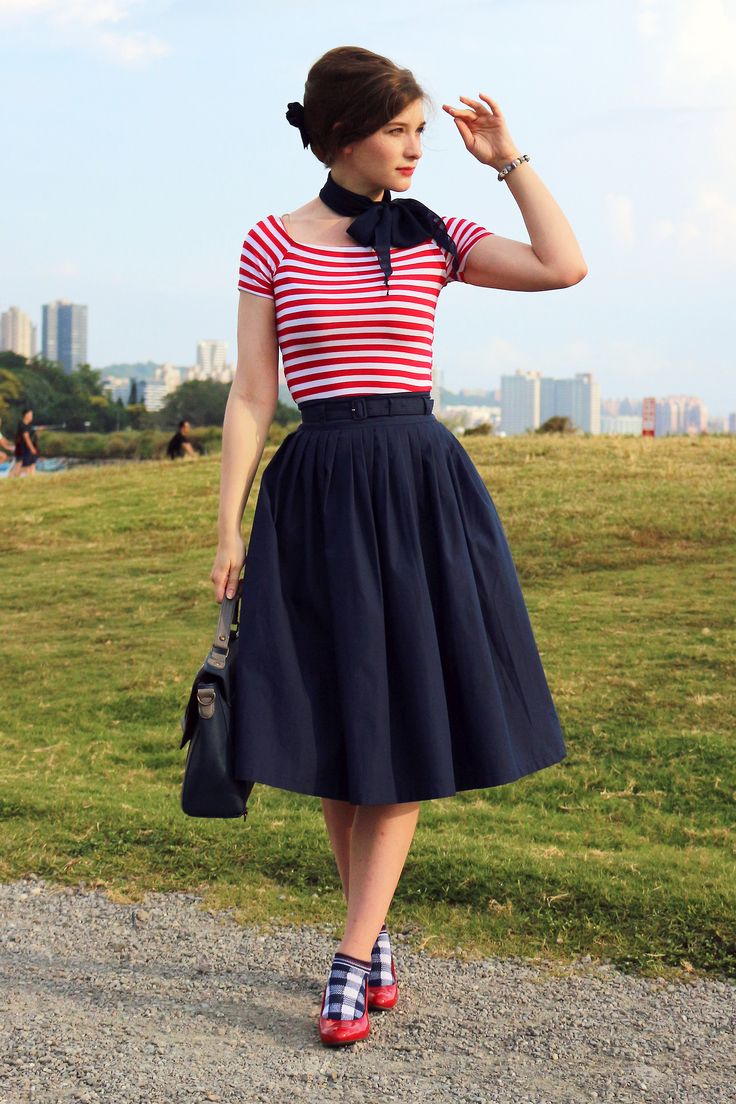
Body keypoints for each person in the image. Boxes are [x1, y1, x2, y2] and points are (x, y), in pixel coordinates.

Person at [210, 45, 588, 1047]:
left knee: (401, 724)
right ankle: (370, 933)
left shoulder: (433, 237)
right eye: (400, 131)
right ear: (341, 133)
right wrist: (226, 525)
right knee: (340, 730)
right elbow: (252, 394)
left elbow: (563, 265)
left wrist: (509, 160)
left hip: (416, 493)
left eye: (422, 131)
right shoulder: (270, 242)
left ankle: (348, 956)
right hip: (314, 491)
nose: (417, 149)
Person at [9, 408, 42, 477]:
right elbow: (26, 438)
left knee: (31, 464)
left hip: (26, 449)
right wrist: (32, 448)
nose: (32, 416)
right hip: (23, 449)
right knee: (22, 465)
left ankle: (32, 477)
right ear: (26, 415)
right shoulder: (23, 425)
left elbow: (33, 437)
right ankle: (12, 477)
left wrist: (38, 431)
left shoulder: (28, 426)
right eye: (30, 415)